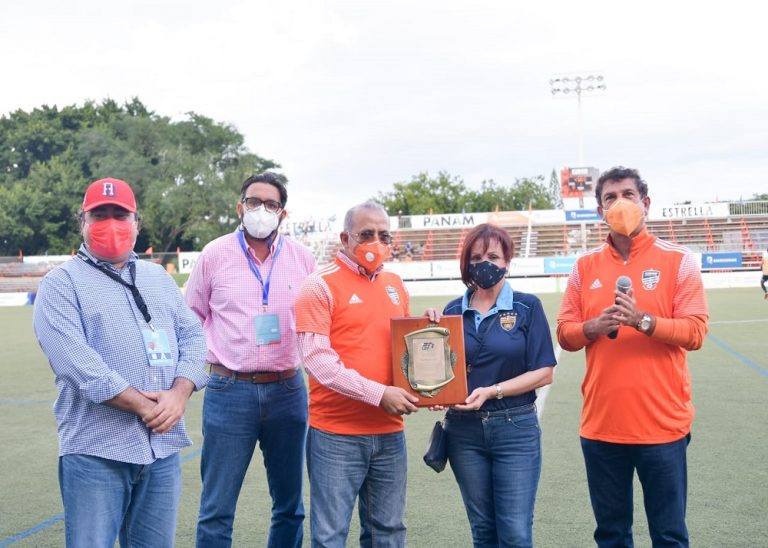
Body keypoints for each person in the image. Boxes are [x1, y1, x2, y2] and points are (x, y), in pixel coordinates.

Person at [32, 177, 208, 548]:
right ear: (82, 221)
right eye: (100, 215)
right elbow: (78, 365)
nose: (110, 223)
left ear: (136, 222)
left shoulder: (157, 278)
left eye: (120, 214)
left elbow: (194, 336)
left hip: (160, 451)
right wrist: (148, 407)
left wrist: (179, 393)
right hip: (97, 451)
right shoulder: (61, 284)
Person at [557, 166, 709, 547]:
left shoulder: (680, 260)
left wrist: (642, 320)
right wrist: (593, 327)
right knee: (611, 534)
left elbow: (695, 332)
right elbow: (565, 333)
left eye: (628, 195)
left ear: (646, 203)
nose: (620, 204)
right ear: (599, 211)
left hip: (663, 427)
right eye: (610, 198)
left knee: (670, 535)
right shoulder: (583, 267)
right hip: (601, 426)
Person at [186, 173, 316, 547]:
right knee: (217, 508)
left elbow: (320, 320)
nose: (262, 210)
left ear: (283, 213)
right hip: (229, 390)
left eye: (271, 204)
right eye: (254, 202)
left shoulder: (302, 259)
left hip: (287, 390)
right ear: (239, 206)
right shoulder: (214, 255)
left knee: (290, 506)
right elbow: (189, 318)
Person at [294, 201, 419, 548]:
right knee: (330, 536)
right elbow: (318, 362)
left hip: (390, 432)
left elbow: (404, 351)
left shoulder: (396, 284)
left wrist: (429, 384)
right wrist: (380, 394)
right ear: (345, 238)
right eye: (367, 234)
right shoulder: (318, 286)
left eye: (384, 235)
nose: (376, 242)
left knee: (389, 532)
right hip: (336, 435)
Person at [428, 223, 556, 548]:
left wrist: (492, 391)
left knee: (514, 533)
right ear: (467, 263)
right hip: (463, 433)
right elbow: (441, 371)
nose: (485, 263)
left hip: (515, 429)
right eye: (477, 256)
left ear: (507, 261)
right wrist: (435, 387)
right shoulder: (452, 311)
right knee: (483, 532)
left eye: (494, 256)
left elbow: (544, 372)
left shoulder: (528, 306)